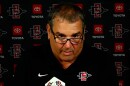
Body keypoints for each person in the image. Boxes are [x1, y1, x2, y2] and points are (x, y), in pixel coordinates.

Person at [13, 2, 118, 86]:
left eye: (75, 36)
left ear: (84, 32)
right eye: (61, 36)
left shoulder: (103, 62)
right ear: (49, 31)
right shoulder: (29, 61)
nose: (68, 46)